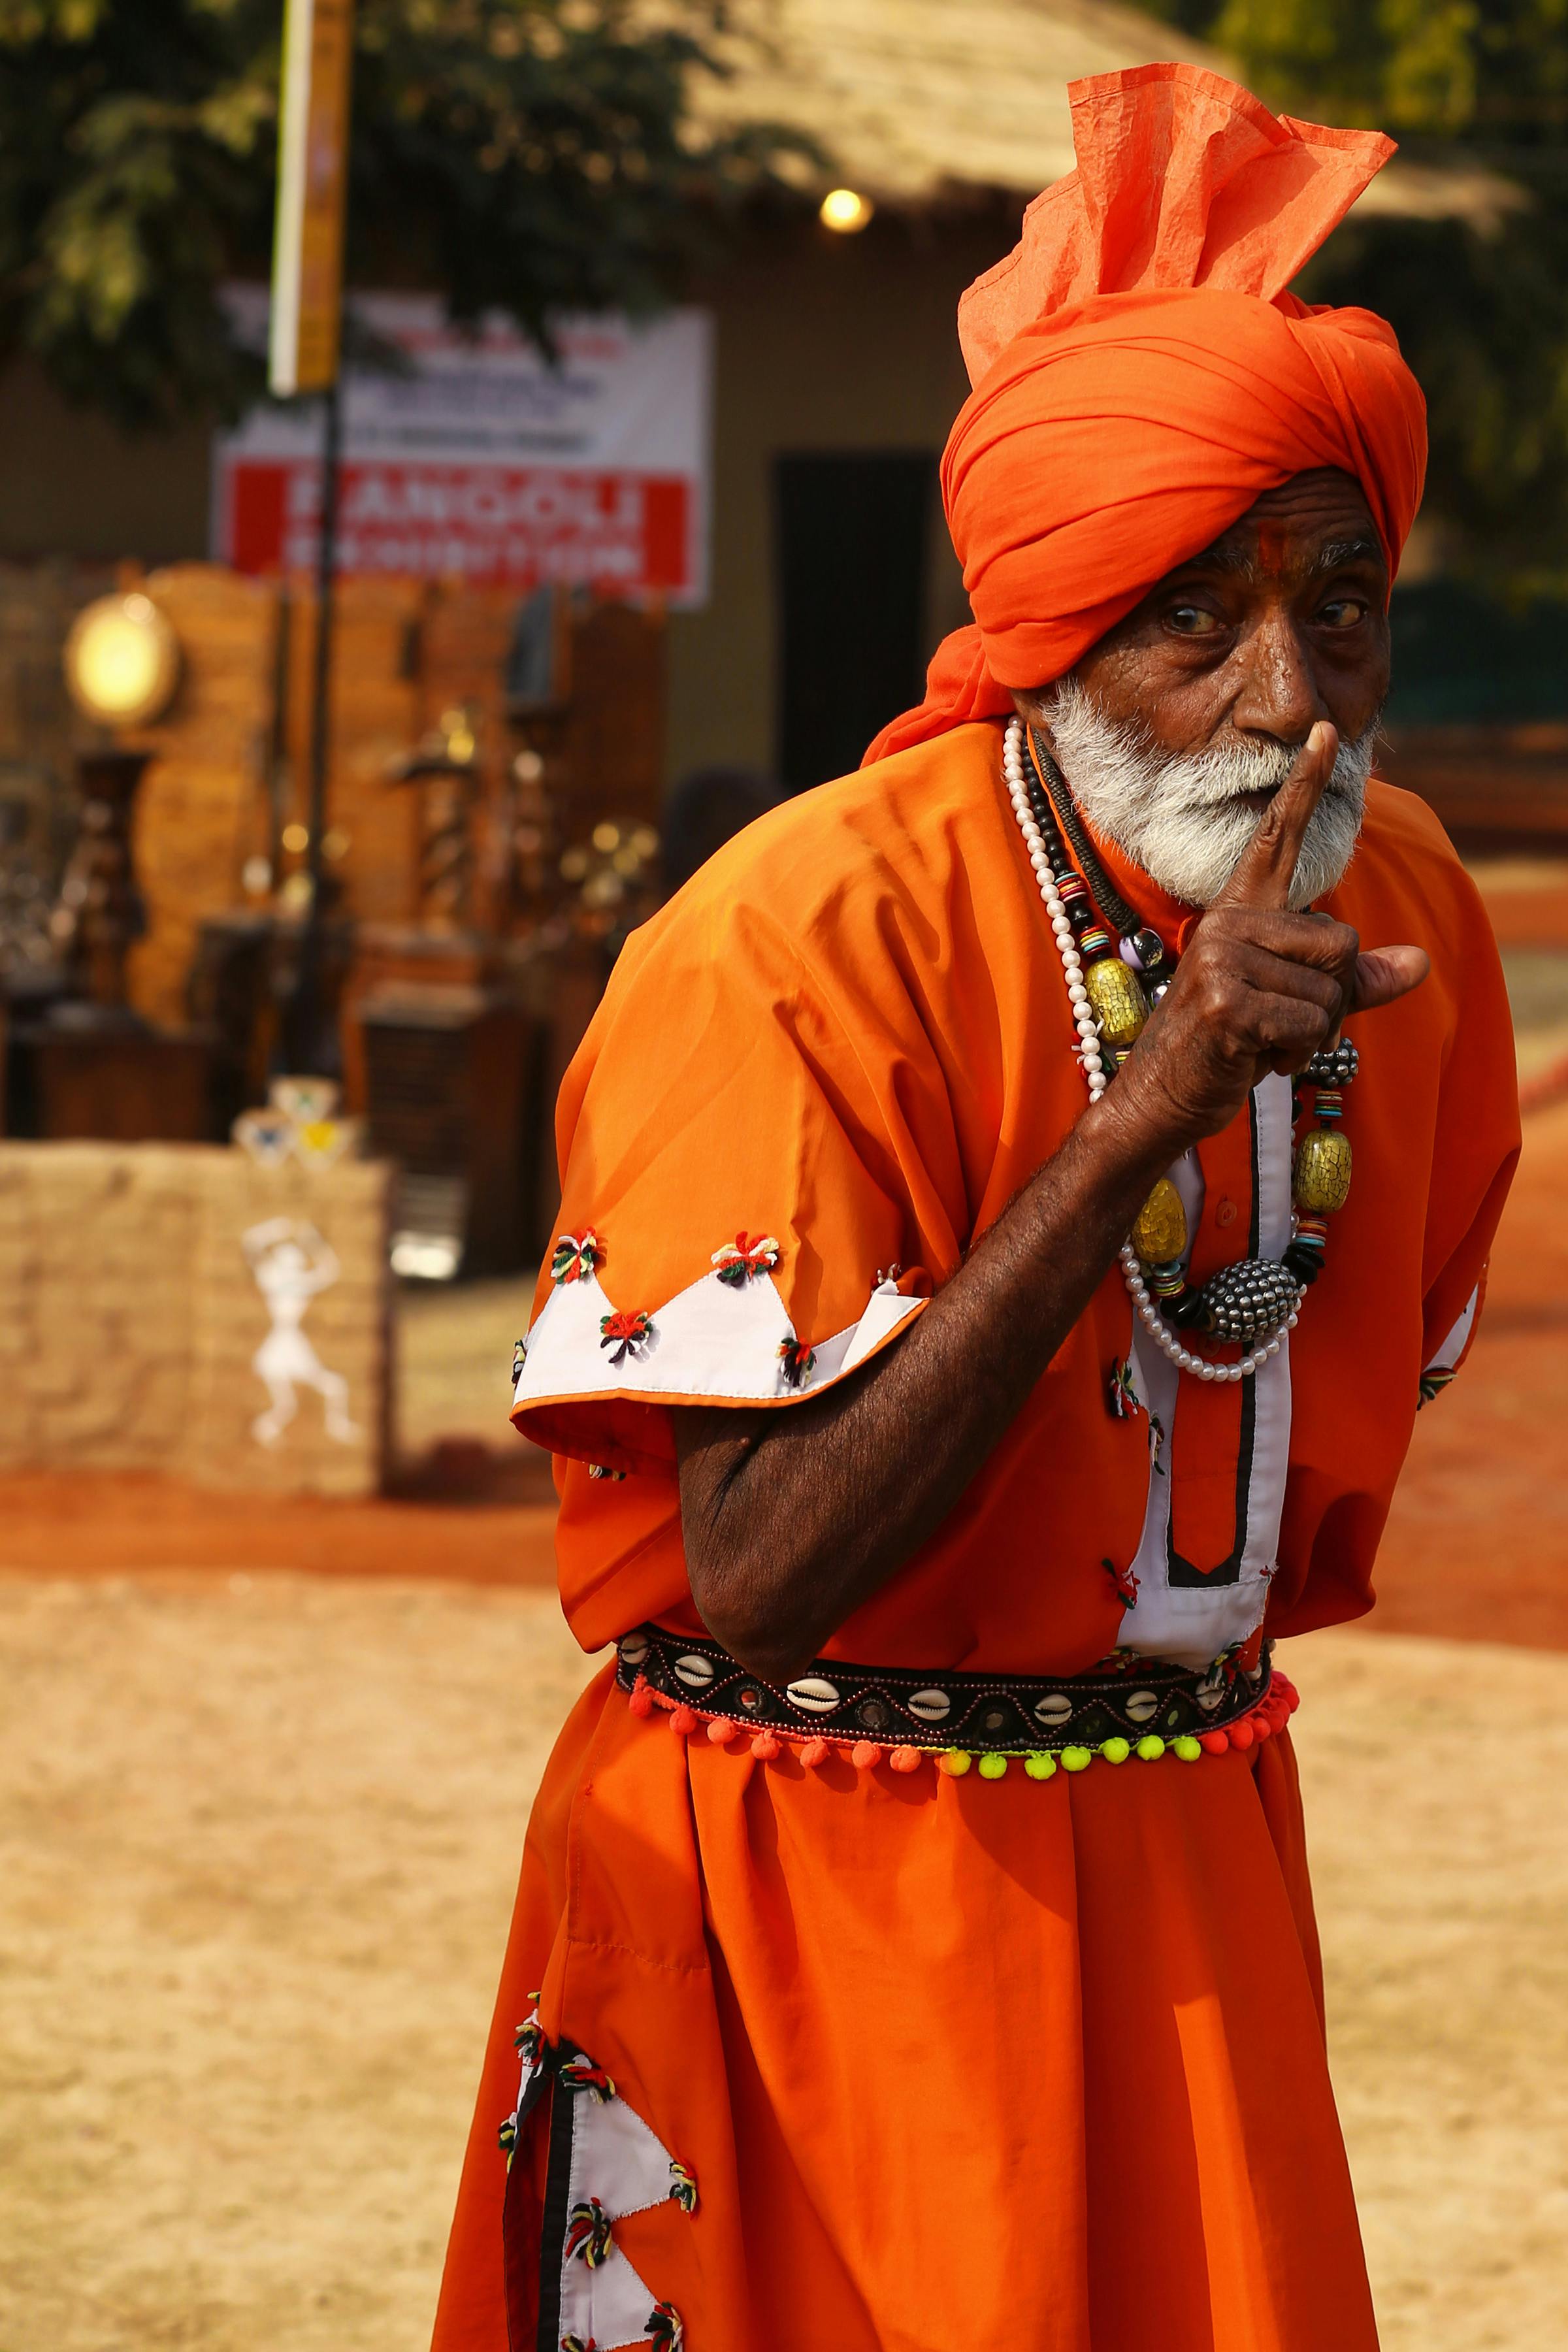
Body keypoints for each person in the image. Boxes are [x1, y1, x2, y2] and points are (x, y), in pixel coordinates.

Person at [433, 65, 1519, 2352]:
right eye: (1191, 619)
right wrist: (1145, 1117)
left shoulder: (1410, 911)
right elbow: (760, 1571)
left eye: (1341, 609)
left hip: (1189, 1856)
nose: (1287, 700)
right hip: (822, 1870)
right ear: (1048, 628)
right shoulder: (796, 940)